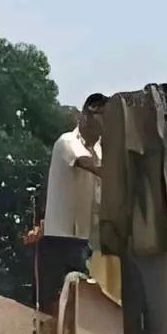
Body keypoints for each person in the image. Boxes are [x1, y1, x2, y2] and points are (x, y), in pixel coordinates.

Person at [37, 93, 106, 313]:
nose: (105, 122)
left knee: (82, 308)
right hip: (60, 239)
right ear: (86, 114)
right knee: (53, 307)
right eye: (100, 115)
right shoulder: (68, 142)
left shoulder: (102, 150)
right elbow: (91, 166)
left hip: (85, 239)